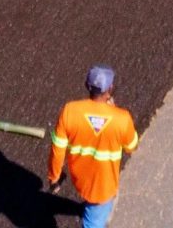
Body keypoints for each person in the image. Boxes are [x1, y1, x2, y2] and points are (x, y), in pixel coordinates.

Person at [48, 65, 140, 227]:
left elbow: (57, 149)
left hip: (81, 179)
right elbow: (132, 145)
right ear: (110, 89)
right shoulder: (122, 118)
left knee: (90, 204)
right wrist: (114, 110)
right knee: (93, 222)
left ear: (87, 86)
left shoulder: (69, 110)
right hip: (104, 186)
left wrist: (54, 177)